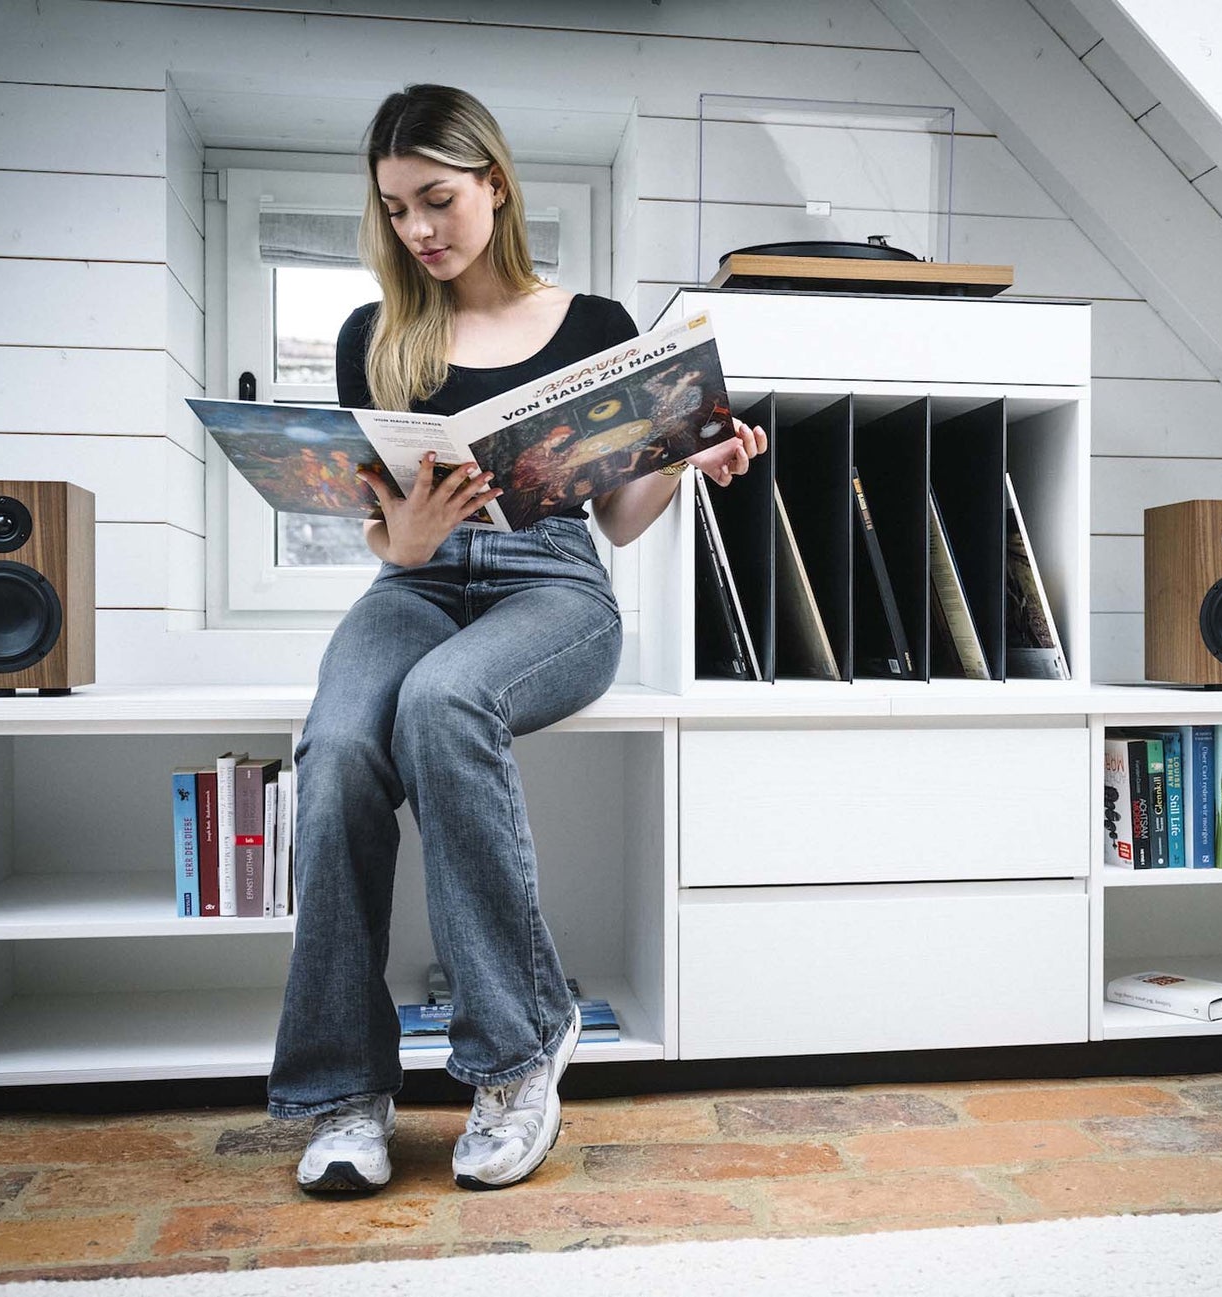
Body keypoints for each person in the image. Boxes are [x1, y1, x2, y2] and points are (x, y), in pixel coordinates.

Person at [266, 83, 766, 1194]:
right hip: (419, 584)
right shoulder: (376, 336)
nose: (420, 231)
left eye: (436, 200)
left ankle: (517, 1053)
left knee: (443, 701)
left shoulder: (595, 328)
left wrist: (688, 463)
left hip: (554, 589)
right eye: (396, 210)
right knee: (342, 744)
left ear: (494, 182)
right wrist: (411, 535)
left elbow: (618, 523)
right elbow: (384, 547)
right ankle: (344, 1094)